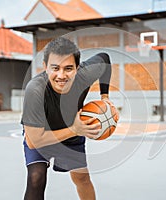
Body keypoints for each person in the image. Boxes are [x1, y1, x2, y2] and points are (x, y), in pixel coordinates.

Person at [21, 37, 116, 200]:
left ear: (78, 68)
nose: (61, 75)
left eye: (68, 68)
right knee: (36, 177)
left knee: (82, 178)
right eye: (55, 68)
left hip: (73, 127)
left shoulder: (86, 74)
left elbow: (105, 59)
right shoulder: (35, 90)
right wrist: (74, 130)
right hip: (43, 131)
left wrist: (105, 96)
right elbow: (33, 141)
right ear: (45, 67)